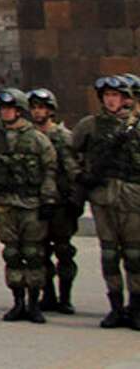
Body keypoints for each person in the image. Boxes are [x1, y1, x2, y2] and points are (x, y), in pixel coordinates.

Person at [69, 73, 140, 328]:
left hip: (133, 197)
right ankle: (116, 306)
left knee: (134, 255)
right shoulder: (90, 125)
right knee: (109, 254)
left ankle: (136, 306)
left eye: (116, 96)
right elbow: (70, 152)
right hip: (103, 197)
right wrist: (79, 175)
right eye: (108, 96)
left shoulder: (136, 125)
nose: (111, 101)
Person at [0, 88, 56, 323]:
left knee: (33, 254)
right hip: (5, 205)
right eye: (2, 109)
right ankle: (18, 302)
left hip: (31, 205)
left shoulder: (36, 138)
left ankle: (34, 303)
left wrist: (48, 201)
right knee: (12, 254)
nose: (5, 113)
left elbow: (49, 171)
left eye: (9, 108)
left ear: (19, 110)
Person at [28, 87, 81, 315]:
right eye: (34, 108)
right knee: (39, 252)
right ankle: (47, 294)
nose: (38, 112)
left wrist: (75, 200)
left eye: (42, 108)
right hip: (36, 202)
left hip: (60, 203)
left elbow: (74, 170)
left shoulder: (63, 137)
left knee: (64, 251)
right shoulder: (27, 136)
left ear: (51, 111)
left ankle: (65, 297)